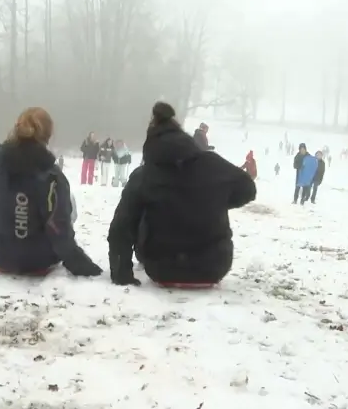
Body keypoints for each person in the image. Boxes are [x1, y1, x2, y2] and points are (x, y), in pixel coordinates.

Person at [107, 102, 256, 288]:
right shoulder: (213, 165)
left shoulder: (145, 175)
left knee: (142, 206)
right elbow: (248, 189)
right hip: (213, 267)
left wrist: (122, 273)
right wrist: (214, 200)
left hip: (162, 267)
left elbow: (121, 227)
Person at [0, 107, 102, 277]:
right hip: (39, 258)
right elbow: (61, 224)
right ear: (48, 135)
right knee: (66, 200)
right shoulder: (53, 174)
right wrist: (79, 262)